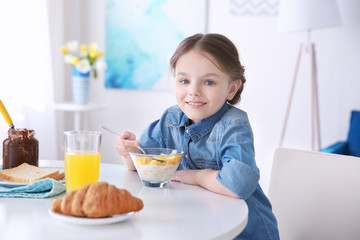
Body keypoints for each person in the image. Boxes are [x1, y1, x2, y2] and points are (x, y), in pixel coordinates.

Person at [115, 33, 279, 239]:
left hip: (243, 232)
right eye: (184, 80)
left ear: (231, 88)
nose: (193, 91)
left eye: (209, 82)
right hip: (198, 226)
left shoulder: (234, 126)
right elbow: (142, 163)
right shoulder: (171, 119)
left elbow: (236, 185)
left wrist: (196, 176)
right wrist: (129, 151)